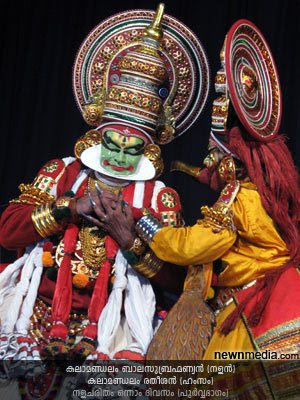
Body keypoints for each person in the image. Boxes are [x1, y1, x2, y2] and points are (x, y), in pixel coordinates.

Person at [0, 3, 210, 367]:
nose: (119, 157)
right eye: (112, 143)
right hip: (31, 316)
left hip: (117, 334)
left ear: (151, 148)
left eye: (133, 149)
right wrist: (70, 207)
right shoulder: (62, 173)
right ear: (96, 136)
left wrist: (130, 239)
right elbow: (7, 232)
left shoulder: (160, 198)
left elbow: (179, 280)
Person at [97, 19, 300, 362]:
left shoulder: (237, 197)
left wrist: (145, 223)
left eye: (214, 155)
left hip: (254, 308)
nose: (207, 161)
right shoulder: (265, 193)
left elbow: (196, 246)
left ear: (231, 162)